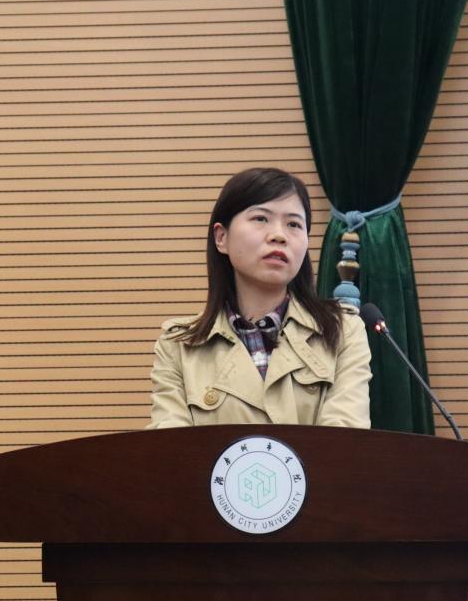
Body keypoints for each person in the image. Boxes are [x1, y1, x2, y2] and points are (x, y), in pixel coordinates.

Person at [147, 167, 371, 428]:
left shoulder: (343, 331)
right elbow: (172, 446)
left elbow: (344, 441)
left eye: (294, 224)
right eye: (261, 219)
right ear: (221, 237)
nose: (279, 235)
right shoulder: (178, 346)